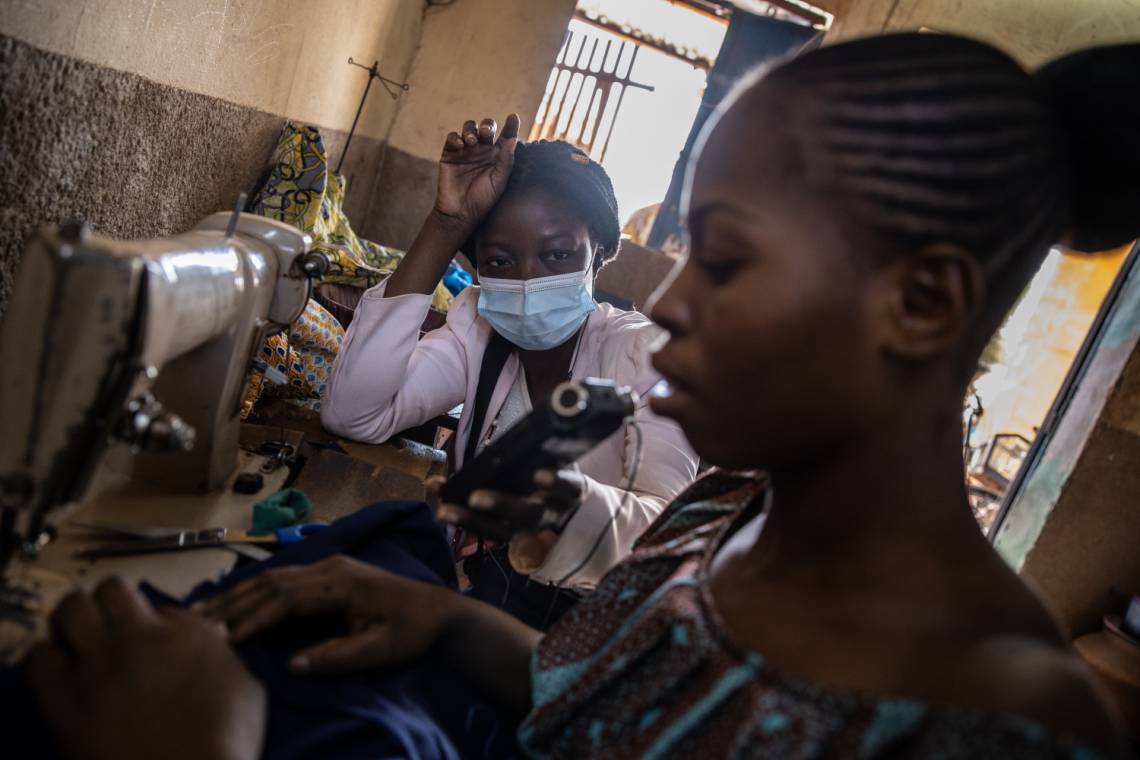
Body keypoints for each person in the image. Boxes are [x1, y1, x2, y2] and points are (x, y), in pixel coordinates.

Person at [26, 33, 1139, 758]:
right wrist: (449, 619)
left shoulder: (1008, 724)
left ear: (922, 303)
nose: (681, 305)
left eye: (729, 260)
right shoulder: (723, 517)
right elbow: (611, 705)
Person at [320, 115, 698, 627]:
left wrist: (560, 508)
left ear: (600, 255)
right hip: (483, 592)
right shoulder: (478, 328)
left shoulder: (641, 357)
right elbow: (354, 414)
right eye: (498, 261)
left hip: (589, 622)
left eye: (558, 255)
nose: (527, 281)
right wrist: (445, 224)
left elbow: (668, 532)